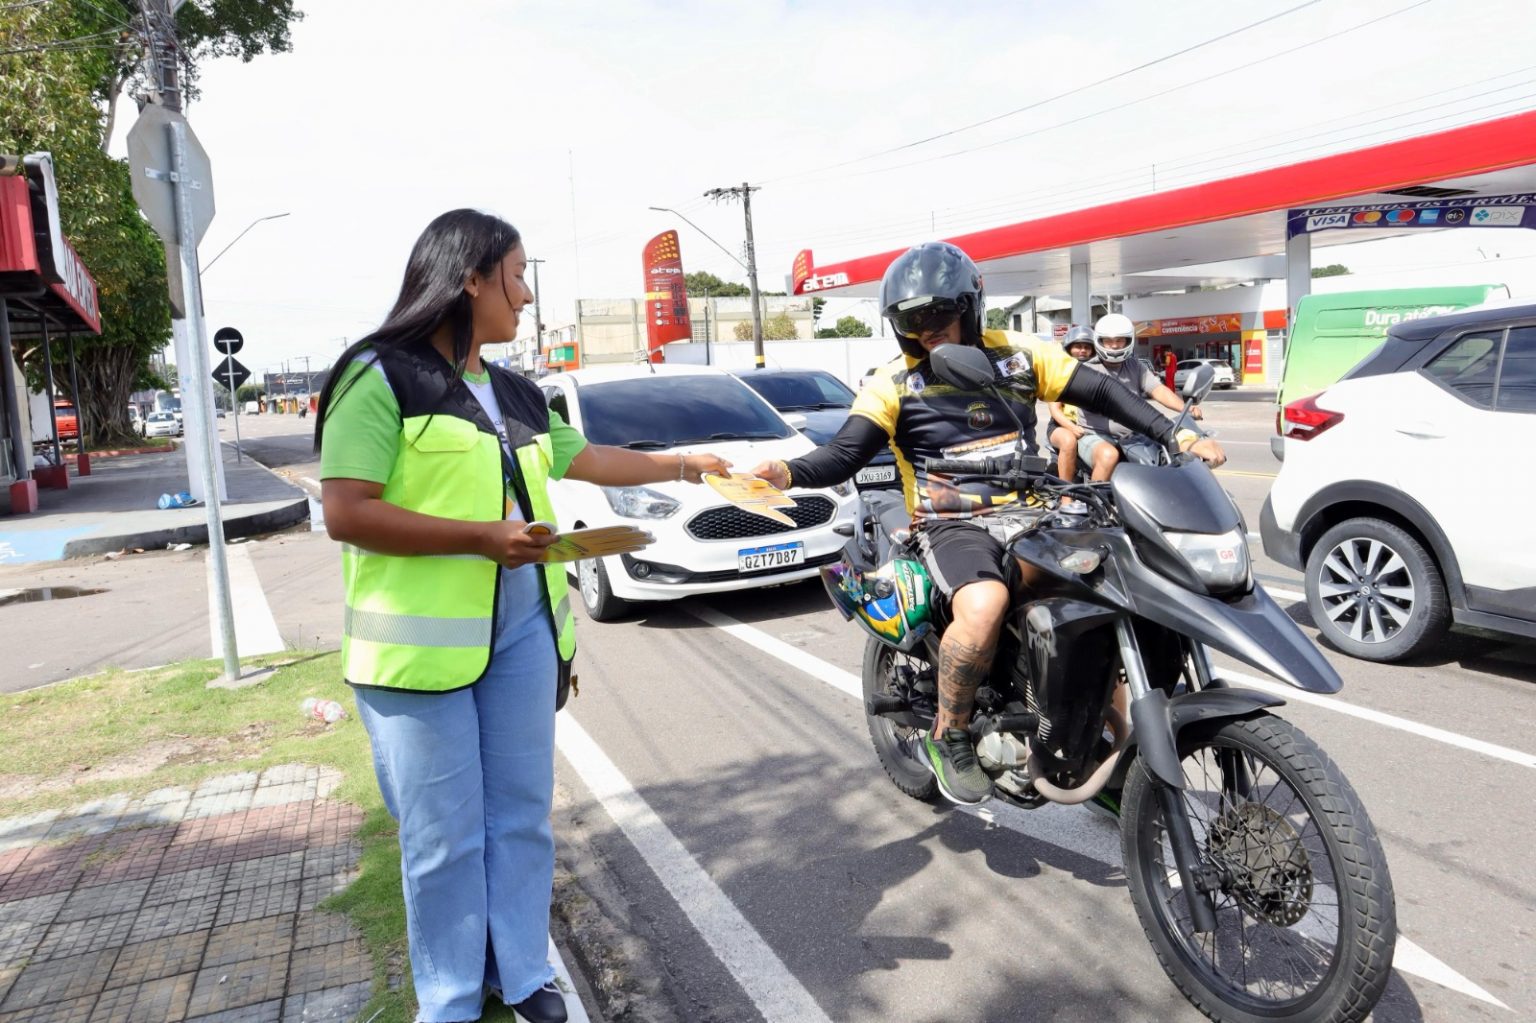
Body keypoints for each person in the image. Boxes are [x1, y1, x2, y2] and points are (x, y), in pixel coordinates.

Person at [315, 209, 730, 1023]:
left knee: (520, 816)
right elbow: (347, 510)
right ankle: (450, 997)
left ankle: (524, 969)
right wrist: (482, 537)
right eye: (517, 275)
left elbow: (590, 459)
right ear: (470, 278)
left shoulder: (515, 391)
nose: (528, 295)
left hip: (524, 628)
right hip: (419, 651)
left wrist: (690, 462)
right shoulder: (379, 374)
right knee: (442, 838)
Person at [749, 242, 1224, 806]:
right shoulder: (893, 383)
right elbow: (845, 453)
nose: (926, 330)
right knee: (984, 604)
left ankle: (1103, 744)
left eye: (937, 315)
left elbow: (1101, 390)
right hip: (951, 524)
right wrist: (785, 470)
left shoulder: (1019, 356)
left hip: (1037, 510)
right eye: (911, 322)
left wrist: (1178, 433)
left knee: (1116, 592)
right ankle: (950, 733)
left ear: (970, 306)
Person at [1075, 312, 1203, 482]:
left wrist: (1186, 407)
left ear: (1129, 341)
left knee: (1166, 456)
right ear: (1099, 341)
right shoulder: (1087, 369)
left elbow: (1158, 390)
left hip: (1134, 436)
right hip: (1095, 435)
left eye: (1120, 340)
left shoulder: (1135, 366)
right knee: (1108, 456)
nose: (1114, 346)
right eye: (1109, 340)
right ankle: (1095, 501)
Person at [1046, 325, 1098, 481]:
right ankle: (1066, 496)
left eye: (1086, 347)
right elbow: (1055, 410)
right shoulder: (1059, 374)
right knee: (1068, 442)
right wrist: (1073, 427)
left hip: (1091, 425)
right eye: (1078, 347)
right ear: (1068, 349)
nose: (1082, 350)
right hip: (1062, 425)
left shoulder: (1098, 373)